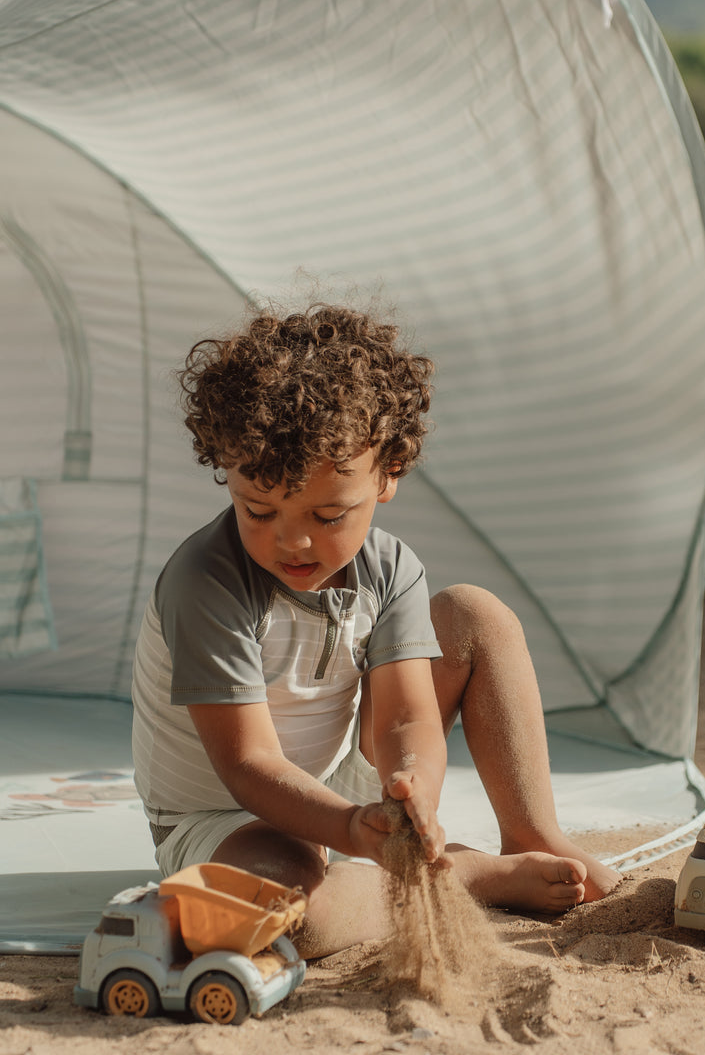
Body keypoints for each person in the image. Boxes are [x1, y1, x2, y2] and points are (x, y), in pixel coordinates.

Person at [131, 304, 618, 957]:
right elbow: (248, 764)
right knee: (286, 916)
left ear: (388, 474)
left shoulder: (389, 571)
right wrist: (357, 831)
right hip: (227, 816)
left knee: (476, 616)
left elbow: (401, 718)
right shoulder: (206, 583)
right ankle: (468, 877)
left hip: (342, 783)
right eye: (259, 509)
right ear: (228, 468)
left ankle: (533, 833)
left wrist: (410, 777)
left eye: (329, 513)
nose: (293, 539)